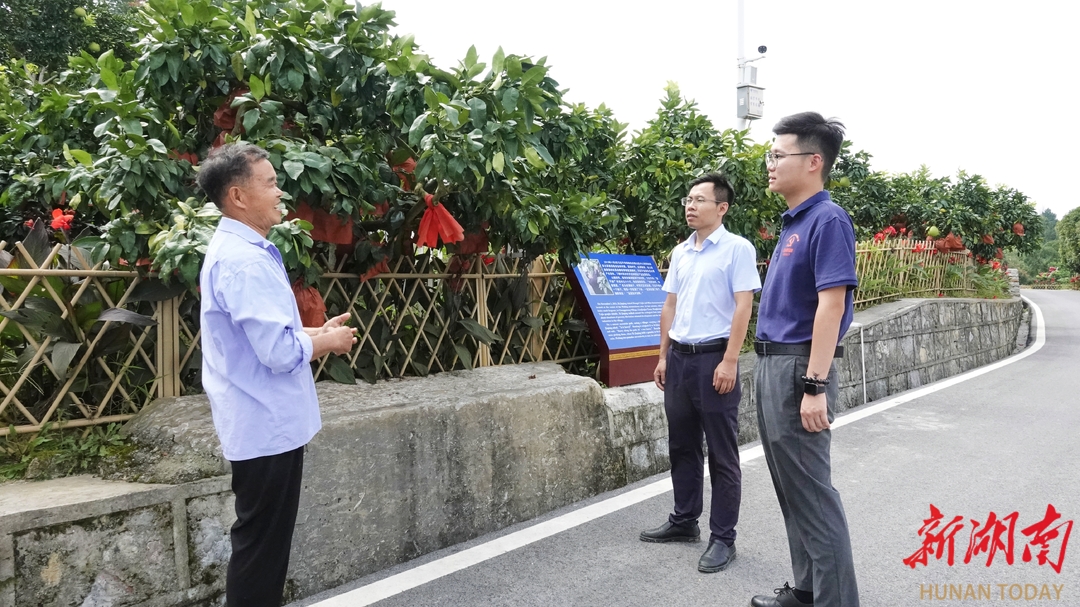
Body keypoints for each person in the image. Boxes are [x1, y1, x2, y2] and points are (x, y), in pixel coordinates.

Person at [196, 142, 357, 607]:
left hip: (263, 422)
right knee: (261, 550)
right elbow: (277, 350)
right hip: (265, 425)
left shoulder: (240, 249)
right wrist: (328, 341)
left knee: (262, 545)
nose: (279, 191)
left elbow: (268, 333)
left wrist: (314, 329)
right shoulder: (244, 261)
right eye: (269, 183)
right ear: (238, 196)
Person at [750, 113, 860, 607]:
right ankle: (807, 590)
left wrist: (815, 384)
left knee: (814, 496)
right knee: (792, 491)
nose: (769, 164)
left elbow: (831, 305)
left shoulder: (828, 219)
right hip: (774, 365)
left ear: (813, 162)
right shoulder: (796, 221)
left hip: (798, 369)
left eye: (778, 154)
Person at [641, 173, 761, 573]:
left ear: (721, 208)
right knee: (682, 445)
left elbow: (743, 307)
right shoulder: (681, 253)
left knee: (722, 455)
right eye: (688, 199)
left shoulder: (736, 249)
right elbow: (670, 306)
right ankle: (684, 520)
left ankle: (723, 538)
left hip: (714, 359)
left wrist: (730, 360)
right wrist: (662, 356)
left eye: (699, 200)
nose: (690, 206)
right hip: (679, 358)